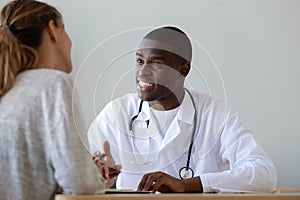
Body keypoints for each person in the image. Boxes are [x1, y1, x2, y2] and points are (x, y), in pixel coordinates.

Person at [87, 26, 277, 193]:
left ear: (183, 70)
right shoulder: (116, 113)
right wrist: (100, 177)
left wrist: (188, 185)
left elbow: (264, 174)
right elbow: (80, 177)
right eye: (139, 61)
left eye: (156, 63)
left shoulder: (215, 114)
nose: (143, 71)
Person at [0, 0, 105, 199]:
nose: (70, 41)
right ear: (52, 30)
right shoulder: (52, 84)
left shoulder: (7, 88)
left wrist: (89, 170)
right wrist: (94, 179)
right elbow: (81, 184)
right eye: (65, 30)